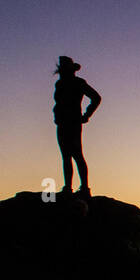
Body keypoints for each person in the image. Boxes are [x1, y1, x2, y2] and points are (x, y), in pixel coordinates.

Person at [52, 55, 101, 197]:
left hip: (73, 122)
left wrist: (87, 115)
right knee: (66, 155)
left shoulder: (78, 83)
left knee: (76, 154)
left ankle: (84, 188)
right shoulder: (60, 84)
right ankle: (68, 187)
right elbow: (58, 104)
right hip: (62, 122)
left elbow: (96, 97)